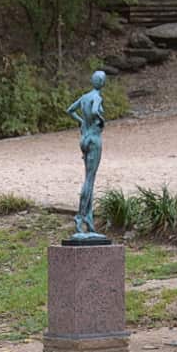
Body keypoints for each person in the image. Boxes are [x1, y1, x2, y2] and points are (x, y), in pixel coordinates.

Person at [67, 70, 107, 236]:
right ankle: (80, 217)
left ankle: (89, 220)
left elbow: (70, 110)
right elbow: (96, 110)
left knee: (88, 178)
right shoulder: (97, 97)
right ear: (102, 83)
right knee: (89, 180)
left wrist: (82, 121)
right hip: (94, 139)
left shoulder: (84, 97)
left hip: (84, 139)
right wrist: (101, 120)